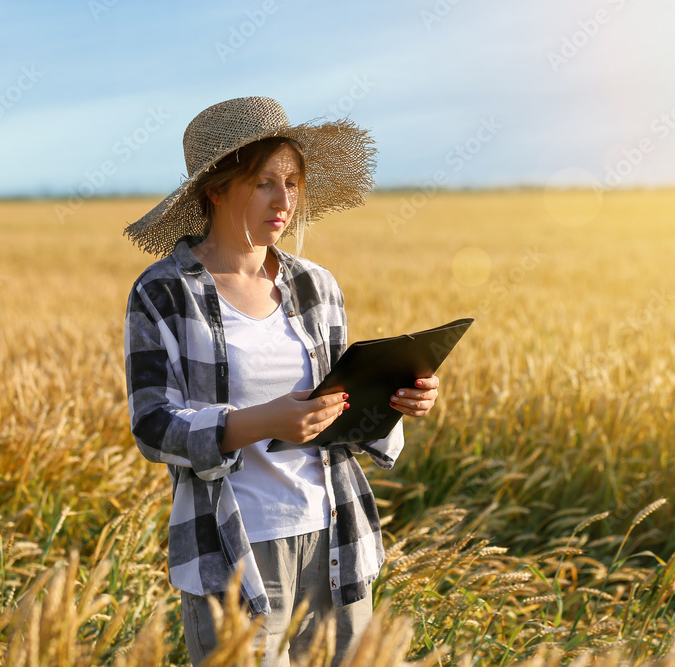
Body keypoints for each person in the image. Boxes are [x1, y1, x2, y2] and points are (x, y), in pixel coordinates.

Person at [121, 97, 442, 666]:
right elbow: (151, 427)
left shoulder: (317, 286)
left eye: (293, 182)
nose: (285, 201)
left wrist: (396, 399)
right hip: (230, 546)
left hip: (336, 534)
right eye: (265, 182)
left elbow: (340, 400)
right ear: (216, 188)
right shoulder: (163, 292)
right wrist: (262, 421)